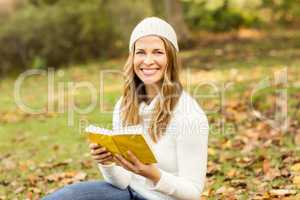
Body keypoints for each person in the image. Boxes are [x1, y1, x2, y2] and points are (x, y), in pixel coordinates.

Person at [42, 17, 209, 200]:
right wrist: (107, 162)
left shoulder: (189, 114)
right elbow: (122, 182)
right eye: (141, 52)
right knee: (67, 196)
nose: (148, 60)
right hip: (128, 193)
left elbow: (193, 193)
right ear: (132, 57)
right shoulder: (124, 105)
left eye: (158, 52)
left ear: (171, 59)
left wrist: (153, 174)